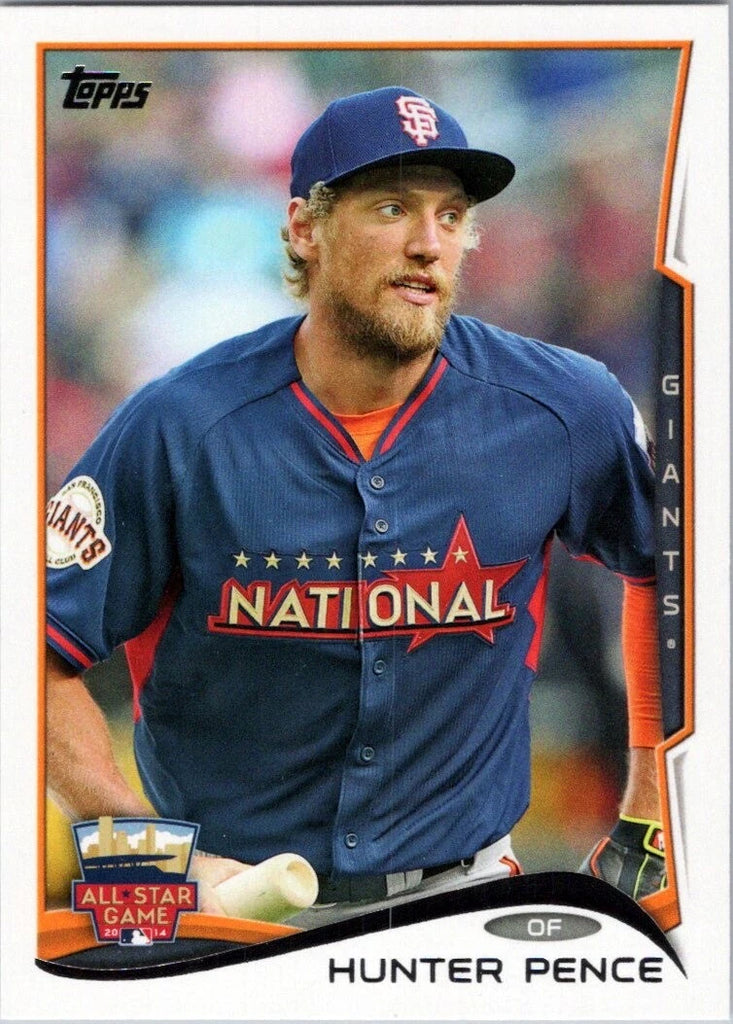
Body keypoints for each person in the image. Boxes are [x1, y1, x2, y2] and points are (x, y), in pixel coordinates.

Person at [45, 87, 666, 927]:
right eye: (391, 208)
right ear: (305, 228)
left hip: (465, 902)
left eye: (451, 215)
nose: (427, 243)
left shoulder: (563, 406)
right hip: (224, 910)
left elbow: (674, 575)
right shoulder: (180, 426)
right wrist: (141, 854)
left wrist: (648, 811)